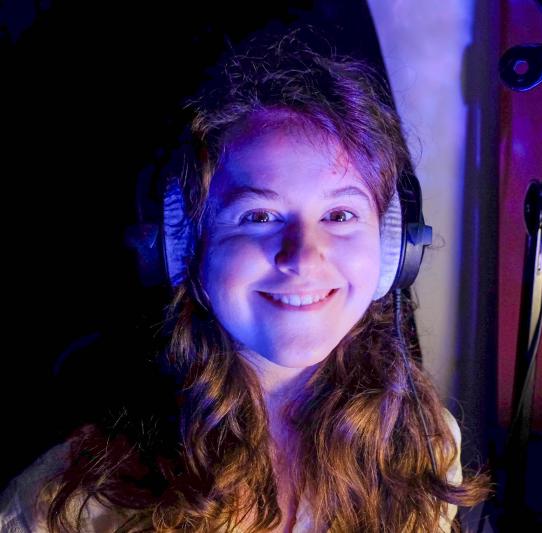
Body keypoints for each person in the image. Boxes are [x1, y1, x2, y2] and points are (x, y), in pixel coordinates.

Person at [0, 31, 491, 532]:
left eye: (340, 214)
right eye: (259, 216)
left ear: (391, 248)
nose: (302, 256)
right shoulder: (67, 501)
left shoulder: (424, 443)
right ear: (187, 246)